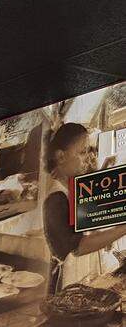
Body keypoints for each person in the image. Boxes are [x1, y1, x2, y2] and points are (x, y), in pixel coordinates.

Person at [42, 122, 123, 291]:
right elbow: (77, 247)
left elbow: (87, 217)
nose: (88, 157)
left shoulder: (73, 188)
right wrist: (121, 229)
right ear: (61, 157)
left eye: (89, 150)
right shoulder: (55, 198)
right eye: (82, 152)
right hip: (71, 287)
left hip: (88, 281)